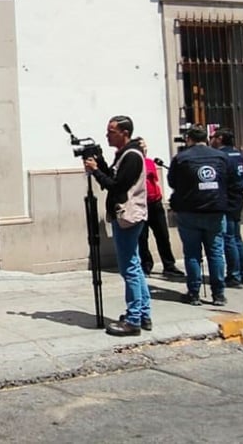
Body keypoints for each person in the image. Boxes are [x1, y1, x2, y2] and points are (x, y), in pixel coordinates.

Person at [84, 115, 150, 337]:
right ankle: (143, 313)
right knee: (135, 265)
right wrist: (100, 162)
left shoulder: (131, 156)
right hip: (129, 215)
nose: (107, 135)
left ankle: (133, 321)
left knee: (129, 268)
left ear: (124, 132)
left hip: (128, 216)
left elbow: (114, 185)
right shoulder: (125, 155)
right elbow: (113, 176)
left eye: (111, 131)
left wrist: (95, 171)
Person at [168, 125, 234, 307]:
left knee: (192, 255)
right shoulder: (221, 156)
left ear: (188, 139)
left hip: (189, 211)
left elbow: (172, 182)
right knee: (216, 253)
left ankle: (194, 293)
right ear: (206, 138)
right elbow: (229, 180)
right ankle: (218, 294)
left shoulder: (181, 158)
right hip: (215, 210)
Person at [136, 138, 183, 279]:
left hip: (155, 203)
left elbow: (154, 180)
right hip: (141, 205)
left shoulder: (150, 162)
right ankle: (146, 265)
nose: (145, 148)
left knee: (163, 235)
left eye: (145, 146)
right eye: (142, 146)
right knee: (142, 237)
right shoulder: (134, 163)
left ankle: (169, 265)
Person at [212, 128, 243, 288]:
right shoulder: (240, 155)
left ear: (220, 138)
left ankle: (234, 275)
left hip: (227, 199)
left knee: (229, 238)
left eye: (213, 137)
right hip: (238, 198)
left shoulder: (221, 156)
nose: (212, 140)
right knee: (237, 237)